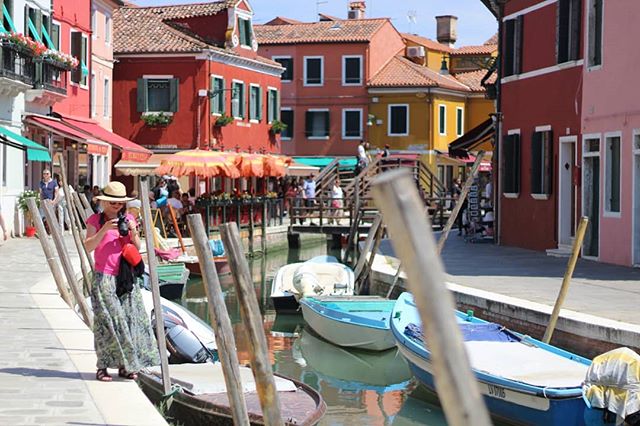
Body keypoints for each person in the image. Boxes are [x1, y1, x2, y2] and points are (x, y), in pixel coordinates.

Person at [84, 182, 159, 382]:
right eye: (113, 202)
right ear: (104, 202)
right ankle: (103, 366)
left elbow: (137, 246)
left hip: (125, 279)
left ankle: (127, 366)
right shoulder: (95, 220)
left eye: (120, 203)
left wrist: (133, 232)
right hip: (104, 277)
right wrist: (104, 230)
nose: (117, 206)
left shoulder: (129, 218)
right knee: (107, 322)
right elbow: (88, 247)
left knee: (129, 321)